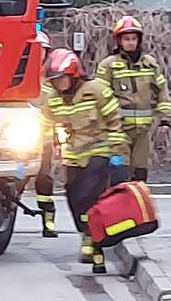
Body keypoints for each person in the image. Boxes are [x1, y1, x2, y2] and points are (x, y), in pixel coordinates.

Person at [40, 48, 129, 273]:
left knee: (88, 196)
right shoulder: (54, 101)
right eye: (54, 80)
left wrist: (117, 152)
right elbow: (43, 124)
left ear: (73, 74)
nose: (58, 84)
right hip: (72, 157)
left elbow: (115, 120)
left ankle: (93, 241)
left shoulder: (97, 90)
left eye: (61, 79)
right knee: (74, 200)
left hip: (99, 152)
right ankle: (86, 235)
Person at [95, 16, 171, 182]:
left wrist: (165, 120)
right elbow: (98, 96)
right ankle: (117, 207)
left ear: (139, 40)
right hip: (118, 132)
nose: (130, 43)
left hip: (143, 133)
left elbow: (162, 93)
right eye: (126, 39)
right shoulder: (108, 65)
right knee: (119, 175)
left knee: (139, 176)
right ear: (119, 41)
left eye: (133, 39)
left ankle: (136, 207)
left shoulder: (150, 64)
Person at [32, 31, 59, 238]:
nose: (38, 54)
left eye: (42, 51)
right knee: (13, 180)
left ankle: (48, 221)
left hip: (45, 140)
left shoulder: (53, 81)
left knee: (44, 180)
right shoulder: (18, 75)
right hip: (18, 140)